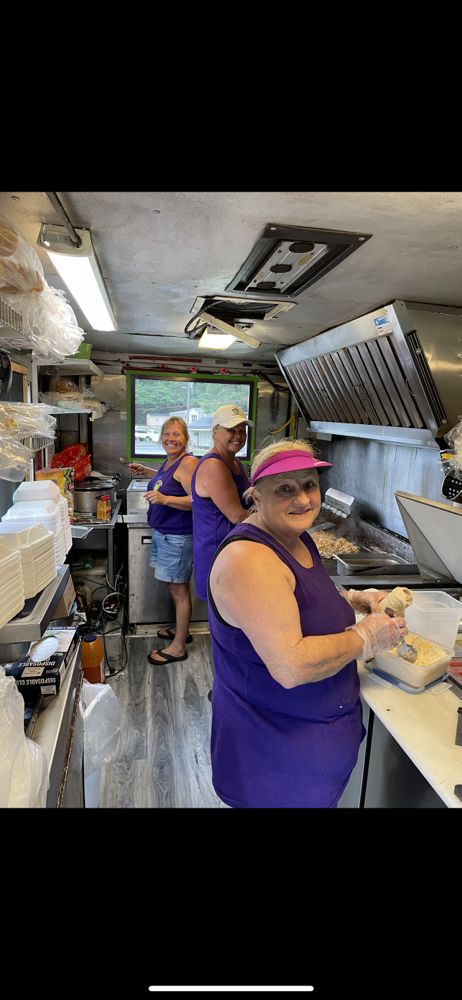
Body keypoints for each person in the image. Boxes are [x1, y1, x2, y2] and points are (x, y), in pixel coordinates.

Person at [207, 439, 408, 808]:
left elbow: (302, 599)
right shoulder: (249, 560)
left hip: (310, 757)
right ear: (255, 496)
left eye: (309, 485)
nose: (302, 499)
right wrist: (365, 637)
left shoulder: (294, 538)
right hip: (273, 763)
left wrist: (354, 600)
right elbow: (291, 665)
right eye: (285, 488)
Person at [128, 417, 198, 665]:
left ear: (186, 438)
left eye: (177, 434)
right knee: (173, 586)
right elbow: (168, 479)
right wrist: (146, 471)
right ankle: (182, 630)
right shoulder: (171, 461)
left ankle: (179, 646)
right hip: (165, 533)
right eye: (167, 434)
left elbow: (198, 501)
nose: (171, 438)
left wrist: (165, 499)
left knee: (179, 591)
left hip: (177, 537)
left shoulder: (188, 463)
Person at [191, 403, 253, 602]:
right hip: (217, 552)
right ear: (215, 432)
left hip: (235, 549)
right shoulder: (213, 466)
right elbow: (237, 515)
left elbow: (249, 500)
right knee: (225, 618)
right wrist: (276, 528)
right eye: (231, 430)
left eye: (241, 430)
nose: (238, 435)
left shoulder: (235, 463)